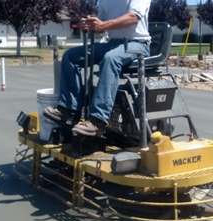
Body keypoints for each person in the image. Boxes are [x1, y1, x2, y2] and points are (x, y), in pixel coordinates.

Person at [44, 0, 151, 137]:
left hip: (138, 44)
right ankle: (70, 110)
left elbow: (133, 18)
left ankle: (98, 121)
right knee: (70, 56)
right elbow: (101, 23)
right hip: (113, 43)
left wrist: (103, 25)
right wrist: (90, 24)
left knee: (110, 59)